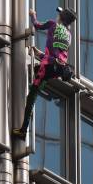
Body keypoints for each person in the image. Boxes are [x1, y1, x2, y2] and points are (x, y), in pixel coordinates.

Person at [12, 7, 77, 139]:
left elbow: (37, 25)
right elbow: (58, 55)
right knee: (38, 79)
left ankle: (23, 131)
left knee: (32, 97)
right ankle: (34, 83)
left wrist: (33, 15)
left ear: (61, 17)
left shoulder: (53, 24)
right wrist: (40, 54)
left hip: (48, 66)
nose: (57, 16)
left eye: (59, 14)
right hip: (58, 68)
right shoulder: (68, 36)